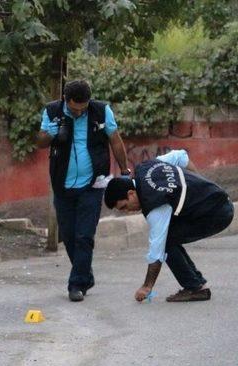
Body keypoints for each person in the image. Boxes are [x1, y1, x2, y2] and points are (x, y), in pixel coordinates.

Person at [37, 79, 129, 302]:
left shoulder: (101, 110)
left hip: (93, 185)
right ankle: (85, 274)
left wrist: (125, 170)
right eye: (74, 109)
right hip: (63, 185)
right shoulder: (53, 111)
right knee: (68, 236)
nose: (78, 113)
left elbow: (115, 140)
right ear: (65, 101)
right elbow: (40, 143)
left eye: (83, 108)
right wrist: (51, 133)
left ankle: (76, 284)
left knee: (84, 236)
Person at [104, 149, 234, 302]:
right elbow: (181, 156)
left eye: (124, 207)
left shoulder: (154, 204)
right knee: (170, 234)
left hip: (217, 213)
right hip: (220, 198)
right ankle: (196, 283)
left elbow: (156, 251)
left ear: (131, 193)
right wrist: (201, 183)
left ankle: (194, 287)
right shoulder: (147, 167)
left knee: (165, 240)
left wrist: (147, 286)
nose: (127, 212)